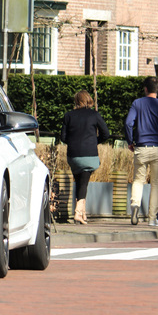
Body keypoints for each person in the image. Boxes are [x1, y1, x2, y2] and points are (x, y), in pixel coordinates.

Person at [124, 76, 158, 227]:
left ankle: (134, 207)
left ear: (145, 89)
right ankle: (152, 218)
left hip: (141, 147)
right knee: (156, 184)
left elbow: (128, 123)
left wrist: (130, 141)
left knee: (138, 180)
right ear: (157, 89)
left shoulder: (137, 103)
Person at [60, 90, 110, 225]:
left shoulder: (68, 115)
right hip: (89, 154)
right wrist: (94, 141)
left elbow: (63, 137)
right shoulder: (95, 115)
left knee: (80, 182)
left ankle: (83, 214)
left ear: (76, 101)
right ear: (88, 100)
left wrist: (74, 143)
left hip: (74, 155)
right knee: (83, 183)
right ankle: (78, 212)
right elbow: (106, 134)